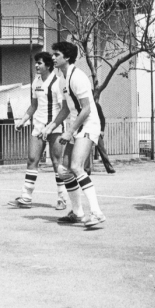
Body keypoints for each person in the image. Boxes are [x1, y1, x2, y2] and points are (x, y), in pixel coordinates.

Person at [40, 42, 106, 228]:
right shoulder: (61, 79)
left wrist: (69, 132)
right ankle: (77, 213)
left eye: (56, 54)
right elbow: (66, 110)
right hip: (77, 125)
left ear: (67, 57)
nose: (53, 57)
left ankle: (97, 213)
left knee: (76, 167)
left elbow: (86, 109)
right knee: (64, 170)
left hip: (89, 124)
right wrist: (50, 126)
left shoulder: (78, 77)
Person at [8, 52, 69, 210]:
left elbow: (64, 109)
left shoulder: (57, 82)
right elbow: (34, 106)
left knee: (57, 163)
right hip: (38, 126)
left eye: (40, 63)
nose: (36, 65)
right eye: (36, 63)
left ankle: (62, 198)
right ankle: (26, 197)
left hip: (55, 127)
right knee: (32, 159)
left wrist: (53, 126)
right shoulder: (36, 82)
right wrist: (22, 120)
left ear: (48, 65)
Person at [94, 101, 116, 174]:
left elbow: (102, 118)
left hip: (96, 130)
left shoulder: (96, 105)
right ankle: (86, 169)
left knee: (102, 149)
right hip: (87, 129)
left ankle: (109, 168)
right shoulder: (82, 105)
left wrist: (102, 130)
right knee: (86, 151)